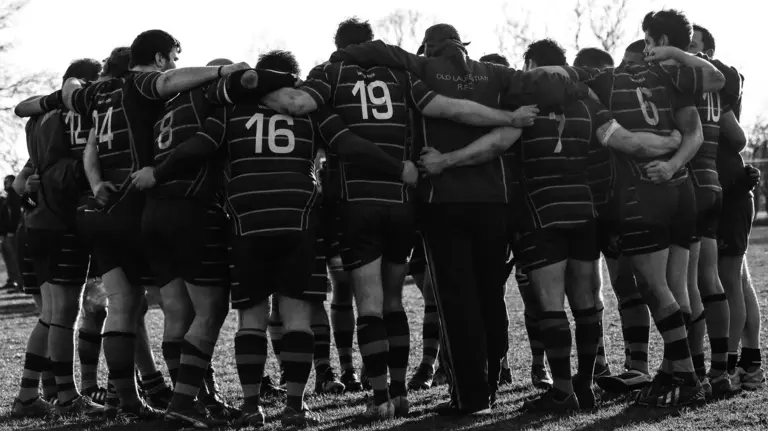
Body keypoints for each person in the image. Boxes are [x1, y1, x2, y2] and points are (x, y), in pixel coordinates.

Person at [325, 23, 599, 416]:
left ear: (429, 47)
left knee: (457, 302)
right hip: (495, 202)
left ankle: (469, 396)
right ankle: (492, 381)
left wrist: (344, 56)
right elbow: (545, 79)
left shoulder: (419, 68)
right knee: (490, 296)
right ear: (462, 45)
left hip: (443, 201)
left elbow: (380, 50)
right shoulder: (497, 75)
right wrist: (576, 79)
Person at [22, 29, 248, 421]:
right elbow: (166, 82)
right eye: (173, 57)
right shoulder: (140, 84)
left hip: (97, 209)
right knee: (180, 307)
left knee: (123, 305)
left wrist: (95, 185)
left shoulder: (96, 94)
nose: (175, 65)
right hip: (135, 205)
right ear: (160, 58)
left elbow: (83, 140)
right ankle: (190, 398)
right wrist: (223, 71)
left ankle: (125, 401)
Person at [536, 8, 727, 407]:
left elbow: (590, 106)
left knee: (654, 288)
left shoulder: (607, 80)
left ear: (648, 42)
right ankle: (677, 373)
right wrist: (674, 158)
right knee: (678, 288)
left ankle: (689, 380)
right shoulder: (673, 75)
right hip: (683, 188)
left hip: (644, 191)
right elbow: (701, 111)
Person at [691, 25, 765, 390]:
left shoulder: (716, 81)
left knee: (727, 280)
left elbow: (738, 138)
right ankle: (750, 363)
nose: (687, 53)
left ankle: (731, 365)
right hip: (729, 190)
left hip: (730, 192)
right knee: (739, 279)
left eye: (693, 47)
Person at [1, 175, 22, 290]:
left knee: (14, 258)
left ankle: (20, 282)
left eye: (7, 181)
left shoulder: (15, 196)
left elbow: (15, 215)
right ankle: (12, 280)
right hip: (5, 234)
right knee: (8, 259)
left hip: (11, 233)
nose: (5, 184)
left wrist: (11, 230)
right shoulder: (7, 197)